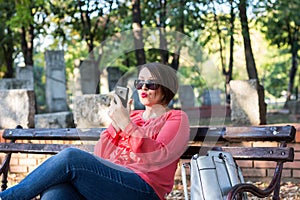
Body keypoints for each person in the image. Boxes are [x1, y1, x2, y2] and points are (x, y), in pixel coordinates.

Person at [0, 62, 190, 200]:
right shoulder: (132, 116)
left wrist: (127, 125)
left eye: (152, 84)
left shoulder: (176, 118)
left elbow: (159, 156)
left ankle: (9, 198)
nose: (144, 88)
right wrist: (118, 124)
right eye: (140, 83)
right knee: (57, 190)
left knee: (70, 157)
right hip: (111, 182)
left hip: (144, 189)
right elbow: (102, 153)